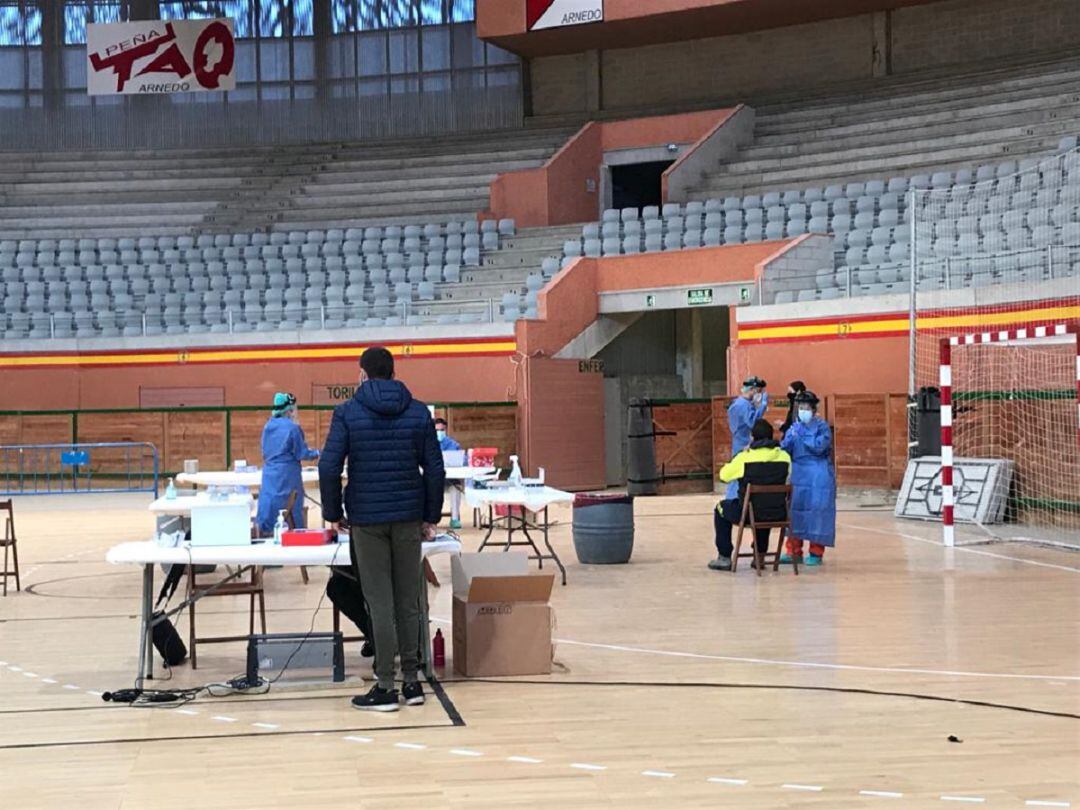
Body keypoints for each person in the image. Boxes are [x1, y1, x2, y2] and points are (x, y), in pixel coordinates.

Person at [319, 346, 445, 712]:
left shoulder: (347, 412)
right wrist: (430, 516)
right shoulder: (418, 412)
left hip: (367, 519)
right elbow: (435, 469)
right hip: (408, 516)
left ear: (362, 374)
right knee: (409, 601)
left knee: (380, 602)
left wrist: (333, 512)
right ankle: (412, 682)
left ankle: (386, 686)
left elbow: (329, 467)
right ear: (393, 373)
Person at [709, 419, 791, 571]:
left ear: (752, 437)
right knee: (765, 504)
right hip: (778, 512)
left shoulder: (745, 458)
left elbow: (723, 476)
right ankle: (760, 556)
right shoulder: (784, 457)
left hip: (747, 513)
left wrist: (739, 455)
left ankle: (724, 556)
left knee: (721, 509)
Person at [780, 390, 836, 566]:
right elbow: (785, 448)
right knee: (795, 512)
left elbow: (820, 446)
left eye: (806, 408)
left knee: (817, 512)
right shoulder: (794, 427)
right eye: (800, 407)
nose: (803, 411)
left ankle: (816, 552)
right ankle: (793, 551)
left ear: (813, 409)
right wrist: (789, 438)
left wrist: (803, 436)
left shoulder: (822, 427)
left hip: (818, 474)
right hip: (799, 474)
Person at [255, 392, 319, 536]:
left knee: (269, 508)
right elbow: (301, 453)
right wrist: (318, 453)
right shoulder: (293, 428)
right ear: (290, 410)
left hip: (269, 475)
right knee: (292, 510)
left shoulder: (267, 426)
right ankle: (296, 538)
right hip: (288, 476)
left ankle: (267, 535)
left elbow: (265, 451)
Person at [724, 375, 769, 504]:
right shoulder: (743, 405)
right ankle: (735, 501)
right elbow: (753, 423)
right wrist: (762, 406)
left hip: (739, 441)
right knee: (741, 473)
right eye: (758, 391)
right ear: (752, 390)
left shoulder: (738, 403)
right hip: (744, 444)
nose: (759, 394)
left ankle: (733, 500)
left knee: (737, 472)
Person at [434, 417, 464, 530]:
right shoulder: (428, 444)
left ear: (446, 430)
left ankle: (455, 518)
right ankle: (430, 519)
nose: (439, 432)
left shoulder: (453, 444)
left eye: (441, 430)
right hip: (433, 479)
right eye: (437, 430)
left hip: (450, 479)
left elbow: (462, 459)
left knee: (455, 488)